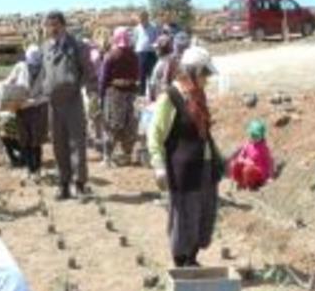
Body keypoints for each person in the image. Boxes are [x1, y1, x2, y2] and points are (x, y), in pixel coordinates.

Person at [147, 45, 224, 267]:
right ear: (191, 71)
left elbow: (205, 133)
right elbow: (155, 134)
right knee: (185, 216)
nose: (207, 79)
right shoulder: (171, 98)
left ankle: (192, 258)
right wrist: (158, 165)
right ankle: (182, 261)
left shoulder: (198, 97)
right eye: (204, 74)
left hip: (204, 166)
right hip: (182, 170)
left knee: (203, 214)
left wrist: (219, 159)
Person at [42, 10, 97, 200]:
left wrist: (89, 91)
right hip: (53, 104)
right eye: (49, 25)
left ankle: (80, 184)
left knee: (77, 143)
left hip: (72, 101)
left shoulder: (77, 46)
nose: (52, 29)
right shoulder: (46, 48)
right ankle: (63, 184)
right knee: (58, 144)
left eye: (55, 24)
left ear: (63, 25)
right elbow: (44, 74)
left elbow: (88, 70)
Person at [4, 45, 49, 178]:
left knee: (36, 140)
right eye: (32, 64)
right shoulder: (20, 67)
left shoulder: (45, 69)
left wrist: (34, 101)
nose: (34, 67)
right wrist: (9, 94)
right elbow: (8, 82)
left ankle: (38, 168)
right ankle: (30, 169)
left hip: (38, 109)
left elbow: (48, 91)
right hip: (21, 108)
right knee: (24, 140)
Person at [99, 27, 140, 167]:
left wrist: (101, 95)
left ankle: (107, 158)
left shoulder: (111, 55)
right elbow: (137, 76)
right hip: (130, 94)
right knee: (129, 124)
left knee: (111, 125)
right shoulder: (134, 55)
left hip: (114, 94)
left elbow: (104, 78)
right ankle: (127, 155)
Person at [229, 119, 274, 191]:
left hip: (258, 172)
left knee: (248, 170)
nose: (254, 137)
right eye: (252, 135)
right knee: (235, 164)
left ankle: (249, 184)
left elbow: (270, 162)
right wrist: (245, 161)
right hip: (247, 168)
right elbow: (240, 157)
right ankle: (240, 181)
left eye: (256, 136)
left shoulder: (263, 148)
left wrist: (270, 177)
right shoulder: (247, 144)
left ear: (261, 136)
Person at [133, 10, 159, 96]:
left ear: (147, 18)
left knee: (152, 76)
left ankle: (153, 96)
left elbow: (157, 39)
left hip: (151, 53)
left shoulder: (153, 27)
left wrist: (154, 46)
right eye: (140, 18)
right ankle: (141, 94)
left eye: (143, 18)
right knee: (141, 75)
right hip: (140, 54)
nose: (142, 20)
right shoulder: (137, 28)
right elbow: (135, 40)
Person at [147, 35, 174, 103]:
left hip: (161, 97)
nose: (155, 50)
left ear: (162, 49)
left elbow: (154, 82)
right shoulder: (171, 60)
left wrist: (151, 98)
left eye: (157, 48)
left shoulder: (162, 63)